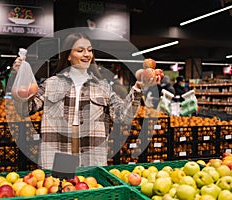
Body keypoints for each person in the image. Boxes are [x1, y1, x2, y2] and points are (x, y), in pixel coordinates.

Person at [12, 32, 161, 169]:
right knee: (62, 193)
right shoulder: (52, 84)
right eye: (80, 50)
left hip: (91, 157)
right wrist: (20, 76)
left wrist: (138, 87)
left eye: (90, 50)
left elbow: (123, 117)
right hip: (58, 156)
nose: (87, 54)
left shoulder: (102, 87)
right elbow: (25, 109)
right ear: (68, 56)